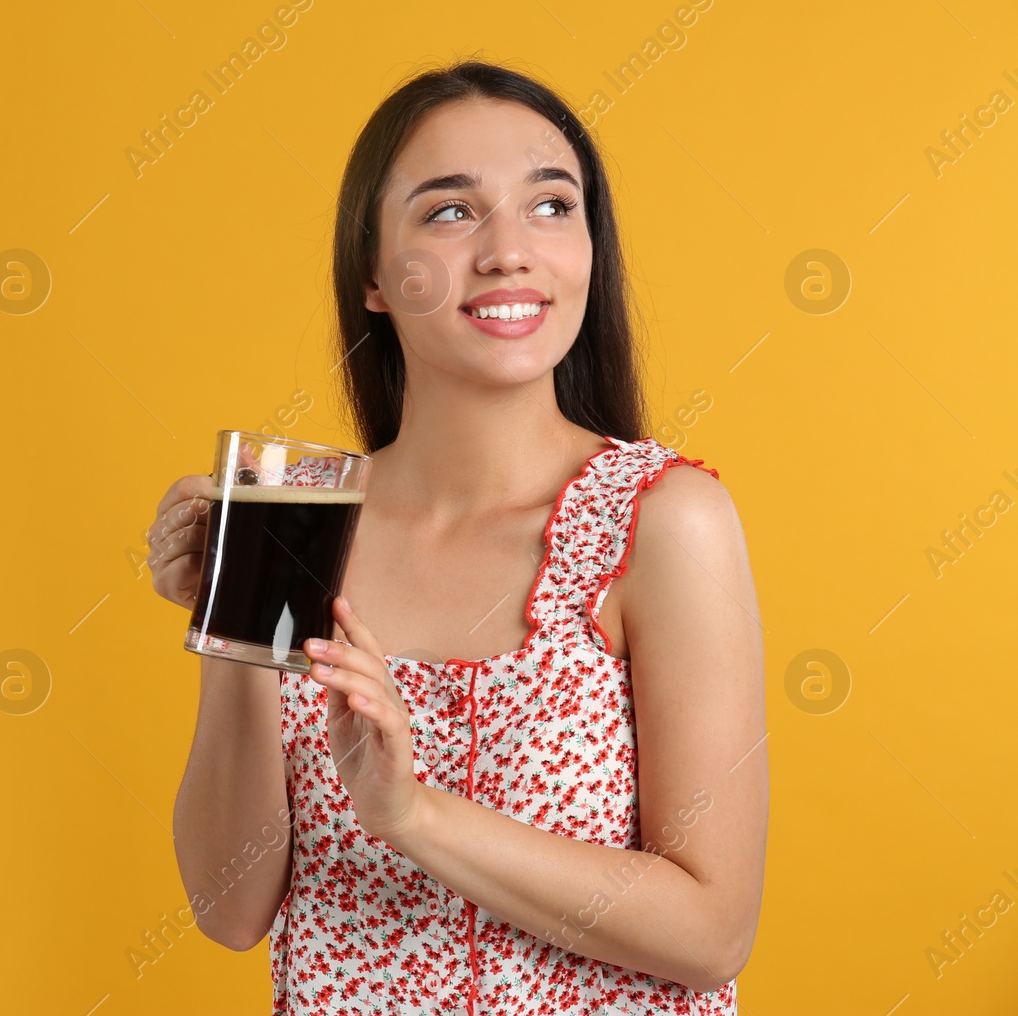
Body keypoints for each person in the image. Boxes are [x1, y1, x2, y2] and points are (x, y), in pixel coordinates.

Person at [148, 58, 768, 1015]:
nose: (509, 251)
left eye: (552, 206)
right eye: (449, 212)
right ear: (372, 277)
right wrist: (236, 616)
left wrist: (413, 813)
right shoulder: (298, 513)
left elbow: (713, 930)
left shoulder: (660, 518)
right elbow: (230, 908)